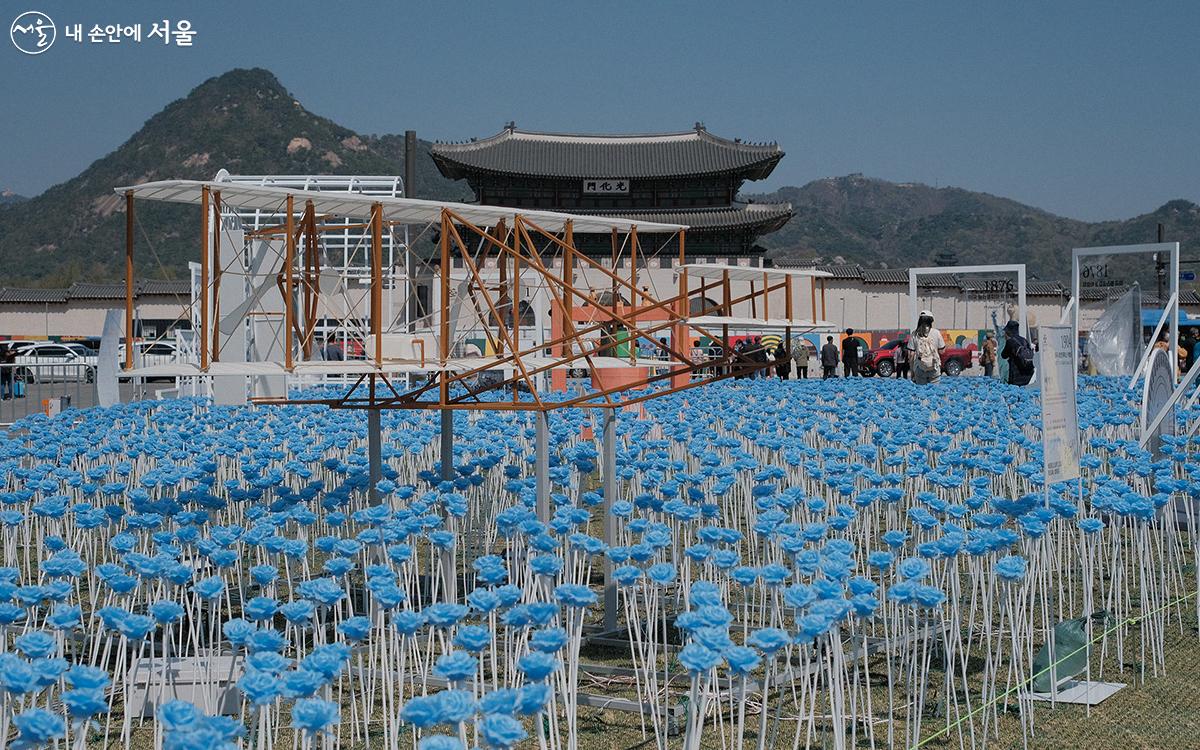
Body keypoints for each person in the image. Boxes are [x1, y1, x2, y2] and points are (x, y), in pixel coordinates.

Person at [906, 310, 945, 385]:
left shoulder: (914, 334)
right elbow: (941, 351)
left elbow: (911, 355)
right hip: (934, 368)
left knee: (921, 393)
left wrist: (912, 371)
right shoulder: (936, 333)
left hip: (920, 368)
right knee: (934, 393)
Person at [1000, 320, 1035, 386]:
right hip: (1028, 375)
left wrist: (1006, 341)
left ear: (1008, 331)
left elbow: (1003, 355)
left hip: (1016, 376)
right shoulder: (1024, 340)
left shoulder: (1010, 342)